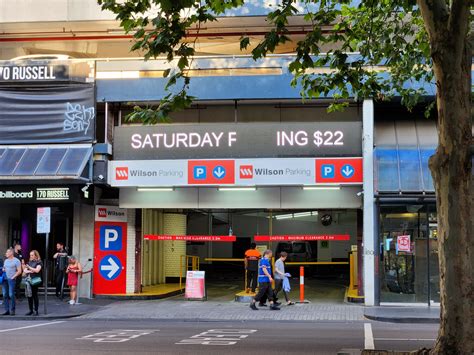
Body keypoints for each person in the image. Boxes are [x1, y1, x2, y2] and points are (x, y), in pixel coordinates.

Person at [2, 248, 22, 315]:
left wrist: (13, 277)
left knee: (11, 294)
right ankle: (7, 310)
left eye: (7, 252)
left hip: (11, 279)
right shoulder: (6, 261)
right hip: (4, 279)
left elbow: (19, 271)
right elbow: (4, 268)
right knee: (5, 295)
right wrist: (3, 269)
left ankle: (13, 310)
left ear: (11, 253)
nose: (6, 253)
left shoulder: (16, 261)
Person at [23, 250, 42, 316]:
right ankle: (30, 310)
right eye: (30, 255)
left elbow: (37, 270)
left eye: (32, 255)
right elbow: (25, 270)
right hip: (29, 279)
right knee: (29, 296)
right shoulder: (29, 262)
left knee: (34, 295)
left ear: (36, 255)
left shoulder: (39, 262)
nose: (30, 256)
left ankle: (36, 310)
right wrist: (30, 271)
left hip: (35, 280)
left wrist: (30, 268)